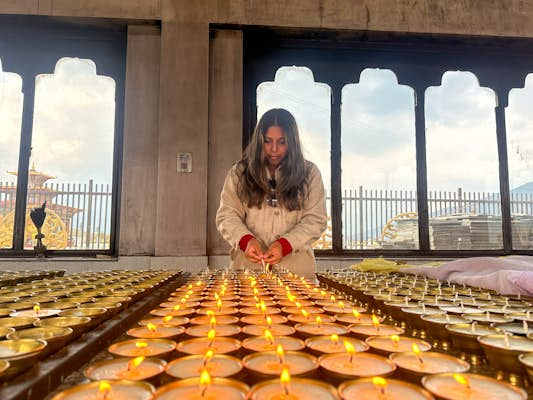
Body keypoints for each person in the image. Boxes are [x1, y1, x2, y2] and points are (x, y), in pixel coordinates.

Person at [216, 108, 327, 279]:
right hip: (248, 271)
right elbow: (227, 215)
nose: (274, 149)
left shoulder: (310, 173)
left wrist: (285, 245)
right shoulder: (239, 172)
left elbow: (315, 220)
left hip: (296, 274)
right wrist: (247, 241)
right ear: (259, 141)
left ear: (292, 142)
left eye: (282, 142)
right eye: (268, 141)